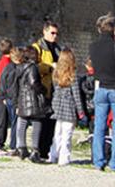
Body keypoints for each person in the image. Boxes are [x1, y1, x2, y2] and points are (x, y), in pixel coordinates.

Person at [88, 16, 115, 171]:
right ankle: (114, 163)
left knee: (99, 126)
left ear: (99, 28)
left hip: (100, 88)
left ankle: (98, 161)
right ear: (113, 29)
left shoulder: (93, 47)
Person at [49, 48, 86, 165]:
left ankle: (53, 154)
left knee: (57, 133)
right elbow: (76, 95)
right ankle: (64, 158)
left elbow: (55, 90)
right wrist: (80, 111)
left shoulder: (55, 74)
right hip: (69, 107)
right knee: (67, 134)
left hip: (57, 105)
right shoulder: (72, 76)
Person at [32, 20, 61, 158]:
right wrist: (50, 66)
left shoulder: (57, 48)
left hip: (56, 89)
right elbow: (34, 66)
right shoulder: (37, 48)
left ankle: (46, 150)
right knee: (41, 121)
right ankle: (38, 149)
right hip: (43, 89)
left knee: (52, 122)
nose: (54, 36)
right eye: (52, 33)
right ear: (44, 32)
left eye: (56, 33)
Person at [15, 46, 48, 163]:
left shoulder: (19, 67)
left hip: (22, 98)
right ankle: (35, 151)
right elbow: (34, 82)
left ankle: (22, 148)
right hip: (32, 99)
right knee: (36, 123)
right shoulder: (32, 67)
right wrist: (43, 90)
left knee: (23, 122)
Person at [0, 46, 23, 153]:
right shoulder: (18, 70)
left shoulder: (8, 67)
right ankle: (14, 146)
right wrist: (17, 103)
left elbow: (2, 82)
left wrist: (3, 96)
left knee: (14, 122)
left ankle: (14, 145)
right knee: (16, 123)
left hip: (8, 98)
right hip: (15, 99)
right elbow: (16, 88)